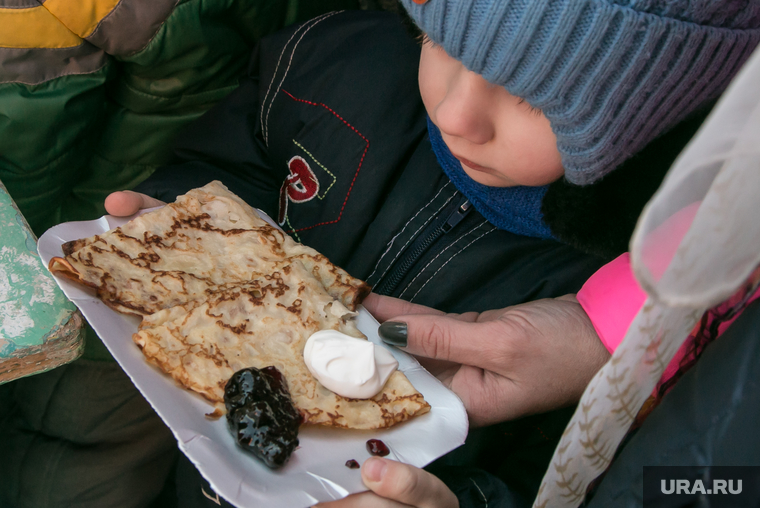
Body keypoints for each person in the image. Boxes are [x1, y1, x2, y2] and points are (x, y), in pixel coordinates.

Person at [102, 1, 760, 506]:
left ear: (659, 107)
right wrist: (179, 213)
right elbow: (230, 158)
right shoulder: (338, 63)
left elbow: (563, 475)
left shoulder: (640, 316)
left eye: (534, 95)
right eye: (440, 39)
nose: (455, 113)